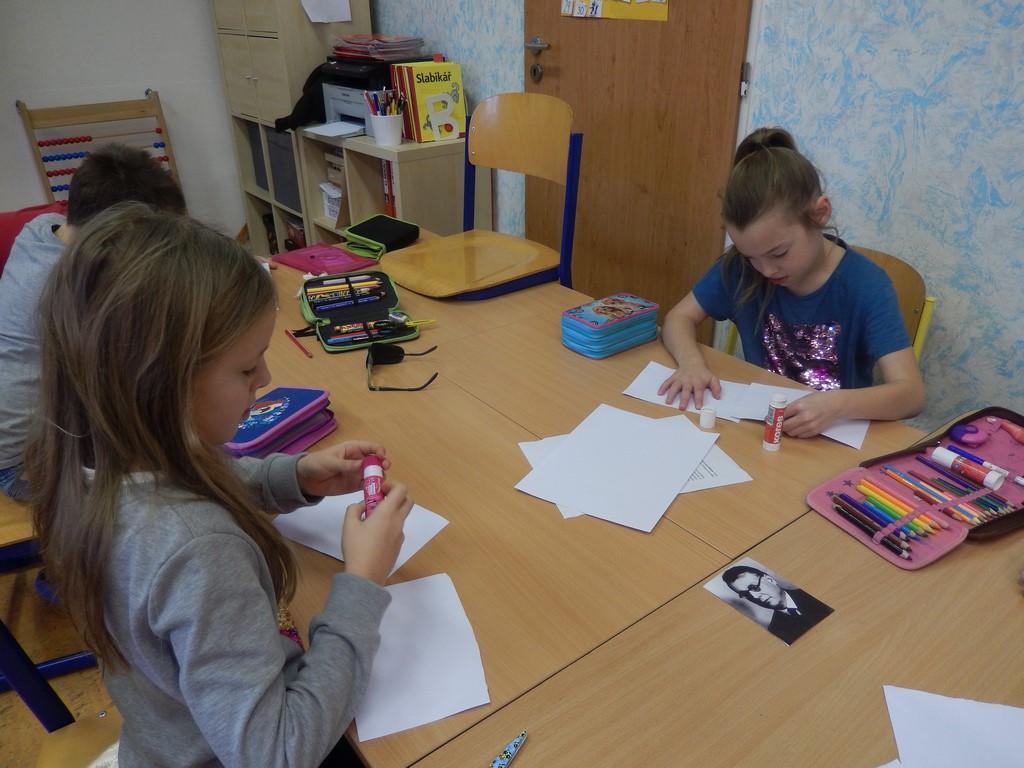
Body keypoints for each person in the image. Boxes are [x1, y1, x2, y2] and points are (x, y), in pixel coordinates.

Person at [25, 204, 412, 767]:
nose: (266, 380)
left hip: (161, 741)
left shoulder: (88, 459)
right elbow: (275, 754)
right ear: (162, 382)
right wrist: (362, 582)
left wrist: (293, 475)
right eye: (247, 368)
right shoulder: (198, 550)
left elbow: (185, 486)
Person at [658, 127, 925, 438]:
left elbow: (911, 394)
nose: (766, 270)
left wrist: (836, 405)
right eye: (750, 256)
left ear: (820, 214)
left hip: (831, 436)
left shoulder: (866, 286)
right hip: (758, 427)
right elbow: (678, 317)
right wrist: (691, 364)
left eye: (779, 253)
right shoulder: (740, 269)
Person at [0, 143, 187, 501]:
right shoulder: (72, 282)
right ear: (112, 234)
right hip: (23, 465)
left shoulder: (43, 229)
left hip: (44, 432)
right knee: (172, 487)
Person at [721, 564, 832, 645]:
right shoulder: (776, 631)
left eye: (754, 587)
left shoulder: (816, 592)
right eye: (746, 594)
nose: (755, 596)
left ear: (769, 579)